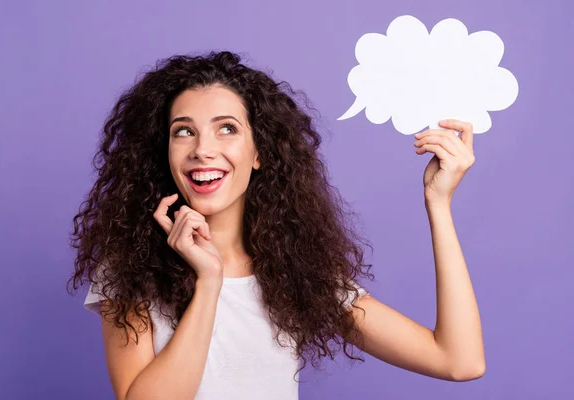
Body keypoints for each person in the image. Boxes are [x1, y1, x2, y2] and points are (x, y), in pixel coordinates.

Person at [67, 51, 485, 400]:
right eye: (183, 132)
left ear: (259, 154)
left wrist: (438, 201)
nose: (202, 149)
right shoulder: (130, 270)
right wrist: (209, 280)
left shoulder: (298, 273)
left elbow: (458, 361)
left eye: (226, 129)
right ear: (164, 153)